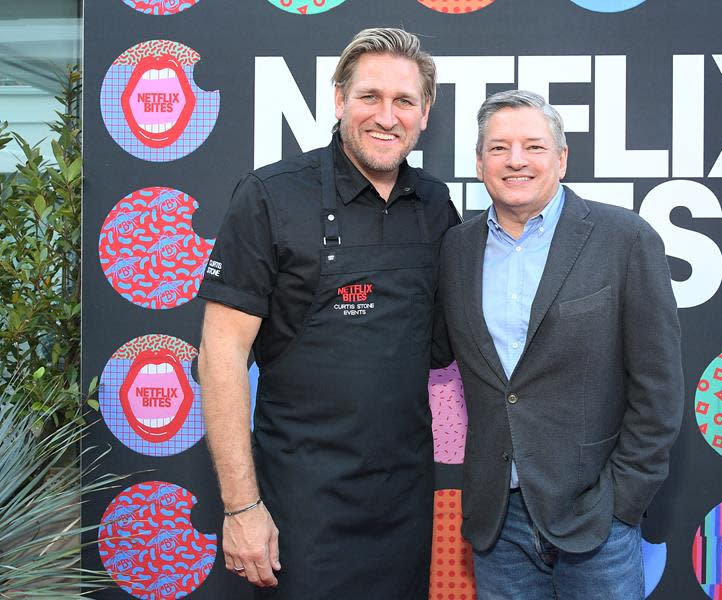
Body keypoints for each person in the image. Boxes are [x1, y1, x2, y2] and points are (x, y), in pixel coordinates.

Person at [197, 28, 459, 599]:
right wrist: (242, 506)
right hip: (299, 508)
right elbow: (220, 356)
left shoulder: (437, 206)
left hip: (404, 505)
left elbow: (448, 342)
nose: (386, 116)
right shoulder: (270, 196)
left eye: (404, 101)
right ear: (339, 101)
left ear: (425, 114)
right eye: (369, 96)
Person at [435, 90, 684, 599]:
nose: (517, 160)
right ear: (479, 162)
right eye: (499, 148)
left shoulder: (625, 239)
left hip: (595, 519)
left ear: (562, 157)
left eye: (534, 145)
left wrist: (622, 501)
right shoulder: (456, 248)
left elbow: (658, 387)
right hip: (496, 521)